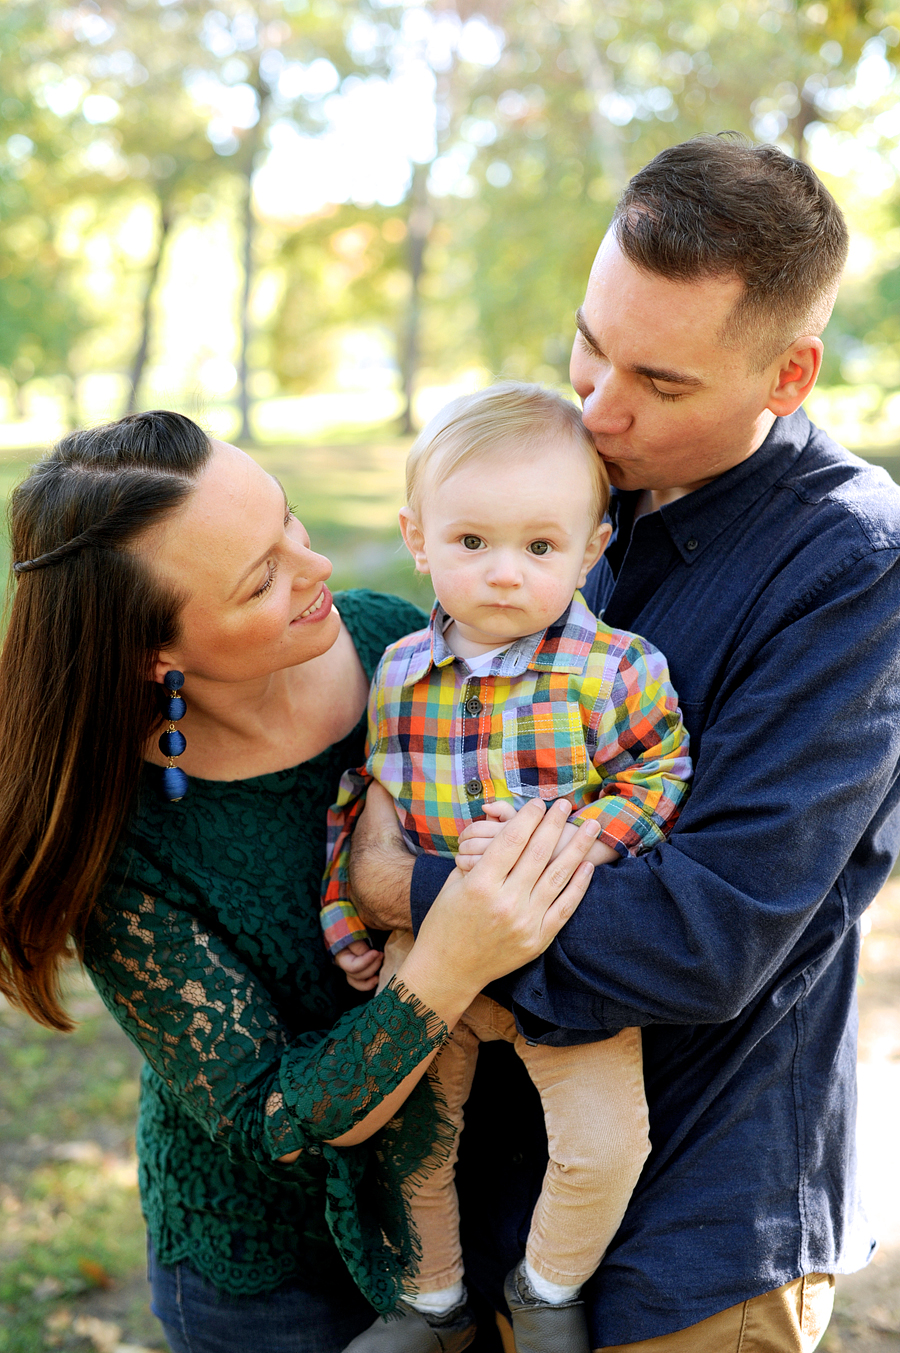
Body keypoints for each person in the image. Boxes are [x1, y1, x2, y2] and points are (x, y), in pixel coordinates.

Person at [344, 134, 900, 1352]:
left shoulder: (853, 566)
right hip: (488, 1207)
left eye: (662, 380)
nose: (597, 408)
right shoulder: (568, 490)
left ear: (789, 375)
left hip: (694, 1239)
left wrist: (407, 888)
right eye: (589, 344)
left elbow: (708, 935)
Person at [0, 410, 600, 1353]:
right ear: (159, 655)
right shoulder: (125, 848)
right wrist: (443, 957)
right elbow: (272, 1118)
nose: (314, 569)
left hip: (457, 1208)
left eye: (290, 525)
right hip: (270, 1273)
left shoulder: (394, 647)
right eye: (262, 578)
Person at [320, 382, 692, 1353]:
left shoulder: (615, 669)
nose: (501, 575)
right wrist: (351, 924)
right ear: (418, 536)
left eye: (540, 546)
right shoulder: (398, 671)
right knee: (410, 1134)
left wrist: (571, 837)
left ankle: (546, 1287)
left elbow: (659, 773)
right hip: (430, 942)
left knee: (606, 1143)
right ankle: (431, 1300)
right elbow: (370, 805)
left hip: (559, 946)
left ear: (591, 545)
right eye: (471, 542)